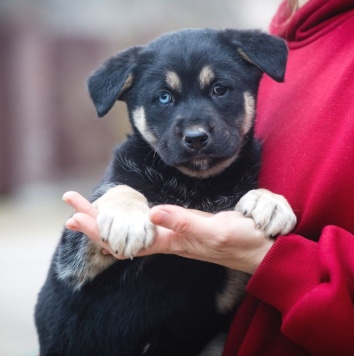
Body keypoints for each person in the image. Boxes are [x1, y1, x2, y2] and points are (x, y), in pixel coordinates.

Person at [63, 0, 354, 353]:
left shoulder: (249, 169)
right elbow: (72, 265)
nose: (196, 128)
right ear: (130, 100)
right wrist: (119, 201)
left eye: (220, 90)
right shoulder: (132, 172)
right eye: (163, 98)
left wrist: (263, 223)